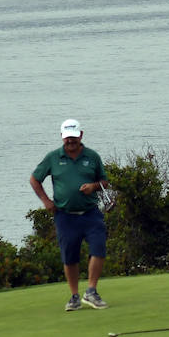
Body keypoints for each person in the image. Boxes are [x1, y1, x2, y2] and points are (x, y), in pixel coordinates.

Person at [30, 119, 111, 311]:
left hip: (90, 213)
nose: (70, 141)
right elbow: (34, 179)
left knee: (99, 248)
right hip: (65, 216)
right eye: (67, 138)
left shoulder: (92, 156)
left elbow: (104, 182)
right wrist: (46, 202)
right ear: (62, 137)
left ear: (80, 135)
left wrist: (93, 186)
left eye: (73, 137)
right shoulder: (53, 157)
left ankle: (91, 291)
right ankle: (74, 296)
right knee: (70, 257)